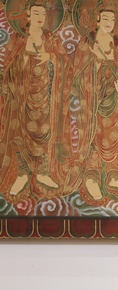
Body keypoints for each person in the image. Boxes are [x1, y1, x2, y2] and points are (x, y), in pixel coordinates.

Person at [69, 0, 118, 204]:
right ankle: (91, 176)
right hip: (92, 99)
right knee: (93, 135)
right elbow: (76, 74)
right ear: (97, 20)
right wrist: (95, 63)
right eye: (105, 18)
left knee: (116, 135)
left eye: (112, 19)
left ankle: (113, 175)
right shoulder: (87, 43)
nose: (109, 22)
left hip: (116, 100)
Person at [0, 0, 69, 200]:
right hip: (21, 96)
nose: (40, 17)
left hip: (45, 96)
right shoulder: (18, 39)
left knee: (44, 132)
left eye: (43, 14)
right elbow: (6, 67)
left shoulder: (51, 40)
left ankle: (42, 172)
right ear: (28, 16)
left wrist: (51, 58)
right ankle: (22, 174)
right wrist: (22, 60)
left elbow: (66, 64)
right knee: (20, 133)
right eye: (36, 13)